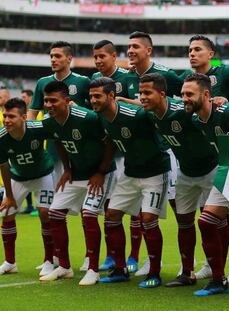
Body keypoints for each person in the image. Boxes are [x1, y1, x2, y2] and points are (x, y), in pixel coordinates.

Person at [89, 77, 170, 288]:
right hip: (130, 172)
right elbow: (109, 144)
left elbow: (159, 111)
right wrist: (101, 170)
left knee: (148, 219)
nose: (93, 100)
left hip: (155, 172)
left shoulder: (136, 115)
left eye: (97, 96)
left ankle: (154, 273)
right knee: (112, 217)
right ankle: (119, 269)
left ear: (111, 96)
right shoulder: (101, 118)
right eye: (91, 96)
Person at [140, 73, 218, 287]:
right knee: (184, 222)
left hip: (210, 170)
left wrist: (218, 101)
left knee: (212, 223)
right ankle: (187, 273)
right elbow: (138, 106)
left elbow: (208, 112)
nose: (142, 97)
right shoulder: (151, 115)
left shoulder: (182, 111)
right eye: (140, 93)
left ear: (163, 94)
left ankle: (219, 275)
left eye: (147, 93)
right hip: (185, 173)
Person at [38, 81, 115, 286]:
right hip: (76, 174)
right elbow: (58, 141)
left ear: (67, 101)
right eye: (46, 101)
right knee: (54, 213)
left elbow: (109, 144)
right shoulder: (50, 121)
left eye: (53, 100)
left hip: (100, 174)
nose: (49, 105)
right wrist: (67, 169)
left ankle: (93, 270)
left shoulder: (87, 118)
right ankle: (64, 267)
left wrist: (101, 171)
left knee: (89, 215)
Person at [27, 41, 92, 272]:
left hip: (82, 154)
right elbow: (33, 111)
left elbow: (91, 113)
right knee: (48, 210)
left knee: (88, 210)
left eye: (57, 56)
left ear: (69, 58)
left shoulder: (83, 82)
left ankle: (88, 256)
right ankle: (53, 258)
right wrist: (31, 134)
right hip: (55, 153)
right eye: (51, 56)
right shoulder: (42, 83)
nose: (53, 59)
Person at [186, 35, 229, 283]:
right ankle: (214, 266)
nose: (192, 53)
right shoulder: (187, 82)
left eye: (198, 49)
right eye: (189, 50)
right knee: (209, 216)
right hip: (210, 158)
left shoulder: (228, 73)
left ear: (211, 54)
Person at [124, 30, 182, 277]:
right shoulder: (127, 78)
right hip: (141, 154)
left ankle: (187, 262)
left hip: (168, 149)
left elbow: (187, 97)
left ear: (148, 50)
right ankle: (149, 260)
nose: (130, 51)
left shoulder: (166, 74)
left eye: (136, 46)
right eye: (129, 47)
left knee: (180, 208)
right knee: (142, 211)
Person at [91, 39, 140, 273]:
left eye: (103, 56)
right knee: (110, 207)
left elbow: (141, 106)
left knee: (136, 209)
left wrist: (122, 100)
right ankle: (113, 256)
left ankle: (135, 256)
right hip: (110, 150)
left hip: (131, 152)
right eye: (96, 57)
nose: (99, 61)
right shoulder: (95, 81)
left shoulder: (128, 78)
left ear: (113, 56)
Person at [0, 98, 54, 276]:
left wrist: (66, 169)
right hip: (19, 177)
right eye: (5, 116)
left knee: (45, 214)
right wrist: (9, 195)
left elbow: (58, 139)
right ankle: (10, 262)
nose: (6, 120)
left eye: (11, 116)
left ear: (24, 117)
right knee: (6, 214)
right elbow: (4, 166)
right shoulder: (2, 138)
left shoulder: (37, 129)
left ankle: (49, 260)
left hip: (43, 174)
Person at [20, 89, 36, 215]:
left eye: (24, 96)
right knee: (26, 179)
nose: (22, 98)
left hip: (41, 151)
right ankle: (30, 205)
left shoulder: (37, 113)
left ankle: (40, 205)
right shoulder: (22, 113)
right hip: (26, 151)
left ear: (31, 98)